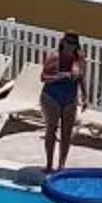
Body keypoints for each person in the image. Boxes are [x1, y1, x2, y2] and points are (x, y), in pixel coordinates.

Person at [40, 32, 86, 171]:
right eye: (68, 43)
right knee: (51, 129)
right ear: (63, 42)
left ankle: (61, 165)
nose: (70, 46)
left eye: (73, 44)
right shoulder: (54, 57)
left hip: (70, 97)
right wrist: (61, 76)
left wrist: (85, 96)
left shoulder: (80, 60)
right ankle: (49, 164)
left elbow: (82, 78)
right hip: (51, 95)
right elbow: (43, 77)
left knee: (67, 133)